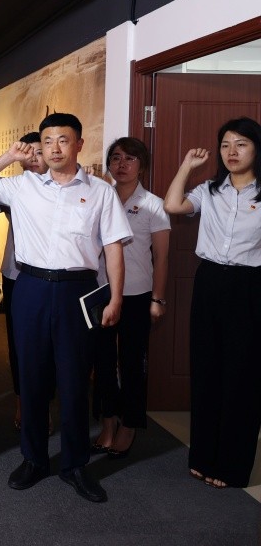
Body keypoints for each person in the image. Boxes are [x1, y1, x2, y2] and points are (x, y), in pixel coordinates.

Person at [0, 113, 132, 503]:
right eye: (47, 141)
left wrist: (115, 298)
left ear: (79, 144)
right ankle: (34, 458)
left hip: (78, 290)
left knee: (75, 379)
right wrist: (10, 157)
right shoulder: (22, 186)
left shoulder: (101, 192)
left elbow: (114, 247)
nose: (55, 148)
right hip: (30, 287)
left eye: (63, 140)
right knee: (31, 377)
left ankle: (75, 464)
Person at [163, 117, 261, 489]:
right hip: (210, 283)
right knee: (206, 370)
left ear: (256, 149)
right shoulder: (210, 190)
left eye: (241, 144)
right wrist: (187, 166)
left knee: (243, 376)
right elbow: (173, 205)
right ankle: (203, 457)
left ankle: (232, 466)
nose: (232, 152)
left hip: (250, 286)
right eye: (225, 145)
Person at [91, 137, 170, 459]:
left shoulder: (153, 204)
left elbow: (161, 258)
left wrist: (158, 299)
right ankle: (108, 420)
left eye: (130, 159)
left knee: (132, 362)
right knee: (103, 361)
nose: (121, 164)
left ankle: (130, 423)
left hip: (137, 293)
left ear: (142, 165)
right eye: (116, 158)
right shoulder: (98, 198)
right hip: (101, 290)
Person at [0, 132, 48, 431]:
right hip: (16, 275)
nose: (34, 158)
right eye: (28, 153)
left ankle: (44, 405)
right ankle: (22, 402)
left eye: (39, 152)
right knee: (19, 344)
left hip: (50, 279)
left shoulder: (65, 186)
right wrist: (9, 156)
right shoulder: (13, 188)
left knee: (48, 346)